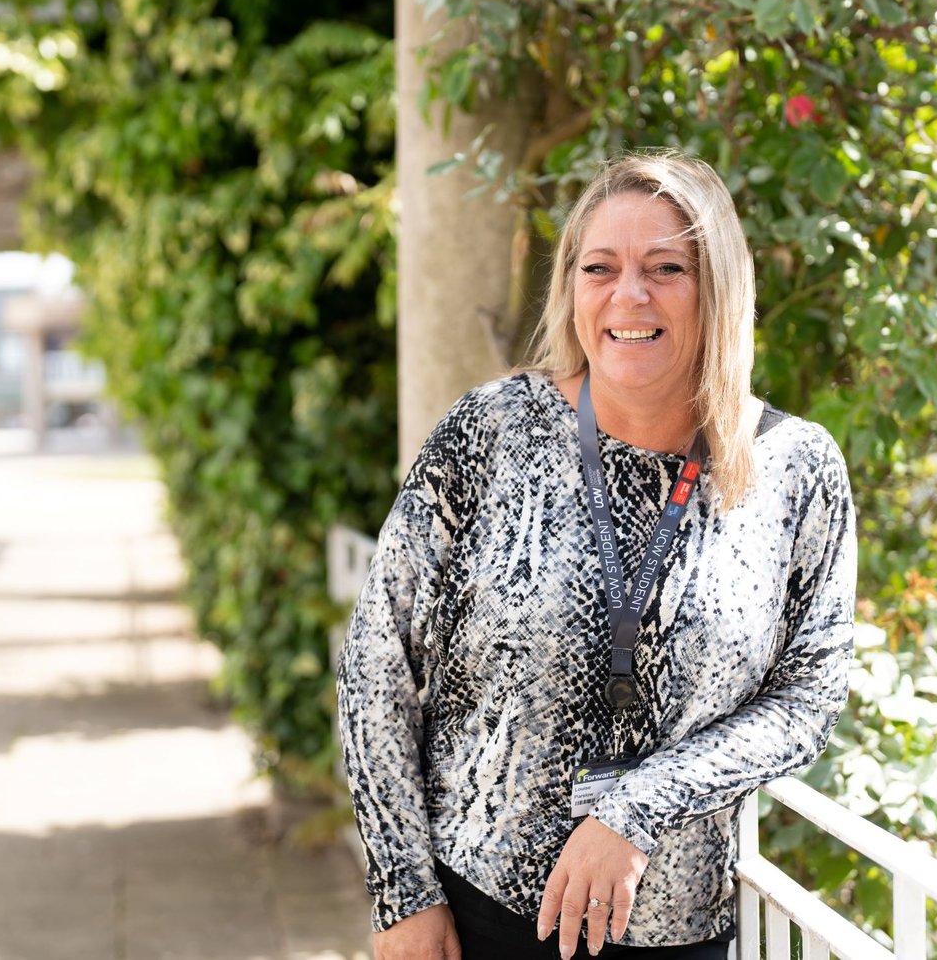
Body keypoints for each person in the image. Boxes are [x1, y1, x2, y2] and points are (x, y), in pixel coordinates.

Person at [337, 151, 856, 960]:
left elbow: (809, 697)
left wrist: (638, 805)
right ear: (571, 287)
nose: (630, 296)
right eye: (601, 267)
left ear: (718, 286)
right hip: (478, 917)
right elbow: (377, 660)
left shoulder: (796, 466)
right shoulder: (494, 430)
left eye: (666, 267)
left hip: (678, 934)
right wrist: (401, 888)